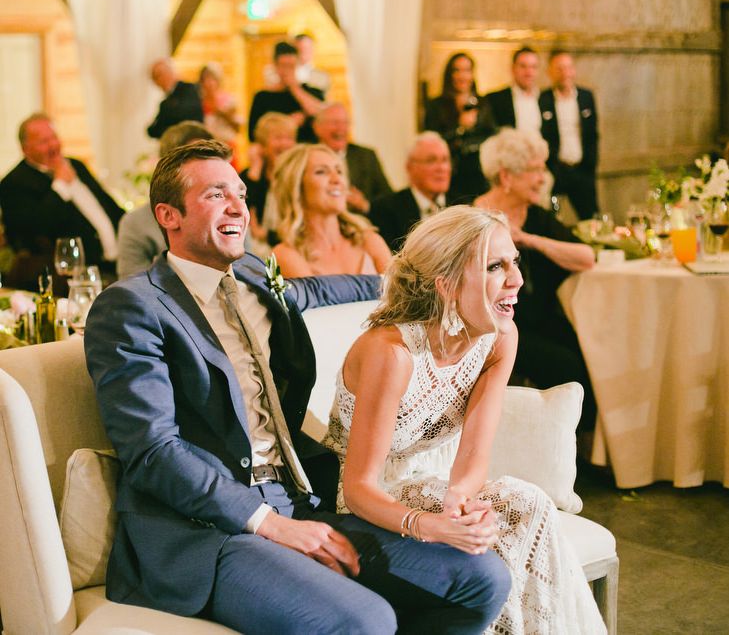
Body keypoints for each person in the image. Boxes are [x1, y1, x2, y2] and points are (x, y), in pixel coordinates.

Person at [84, 139, 511, 634]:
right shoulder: (132, 307)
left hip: (299, 500)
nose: (237, 206)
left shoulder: (251, 274)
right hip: (206, 533)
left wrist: (417, 281)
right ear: (169, 215)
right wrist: (270, 524)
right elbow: (154, 452)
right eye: (215, 194)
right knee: (367, 621)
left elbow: (318, 289)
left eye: (241, 194)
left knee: (481, 578)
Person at [322, 206, 606, 634]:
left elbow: (474, 455)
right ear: (448, 285)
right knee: (510, 522)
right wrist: (431, 524)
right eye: (496, 266)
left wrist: (462, 503)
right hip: (364, 501)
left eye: (515, 262)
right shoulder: (393, 353)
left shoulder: (500, 338)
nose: (517, 280)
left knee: (526, 506)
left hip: (431, 485)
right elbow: (357, 487)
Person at [474, 128, 597, 430]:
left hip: (538, 320)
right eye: (535, 170)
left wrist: (529, 240)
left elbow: (586, 256)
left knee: (591, 350)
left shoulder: (536, 217)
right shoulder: (474, 218)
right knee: (566, 365)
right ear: (506, 177)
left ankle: (575, 442)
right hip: (493, 325)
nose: (543, 178)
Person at [0, 112, 123, 289]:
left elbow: (110, 207)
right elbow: (35, 230)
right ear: (25, 148)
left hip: (116, 265)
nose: (53, 146)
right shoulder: (13, 184)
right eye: (44, 142)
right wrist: (60, 187)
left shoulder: (76, 165)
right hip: (72, 280)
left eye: (54, 137)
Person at [271, 144, 391, 277]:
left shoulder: (370, 241)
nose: (337, 179)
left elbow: (399, 295)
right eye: (321, 172)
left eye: (339, 171)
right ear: (295, 186)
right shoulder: (285, 255)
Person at [117, 120, 215, 279]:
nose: (209, 172)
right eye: (196, 162)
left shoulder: (229, 213)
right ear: (168, 169)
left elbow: (243, 271)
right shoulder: (136, 224)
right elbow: (133, 289)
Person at [424, 52, 495, 203]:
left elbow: (491, 135)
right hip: (449, 176)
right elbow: (431, 143)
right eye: (457, 70)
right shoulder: (436, 106)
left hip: (478, 175)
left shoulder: (483, 103)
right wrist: (460, 128)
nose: (462, 76)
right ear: (449, 74)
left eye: (467, 70)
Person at [539, 50, 599, 219]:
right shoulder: (543, 99)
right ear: (550, 72)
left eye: (568, 67)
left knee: (591, 218)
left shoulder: (586, 97)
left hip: (582, 169)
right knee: (551, 218)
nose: (565, 73)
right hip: (556, 170)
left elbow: (592, 134)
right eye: (559, 68)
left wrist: (591, 163)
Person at [369, 132, 452, 252]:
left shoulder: (463, 206)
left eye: (445, 160)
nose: (441, 168)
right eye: (431, 160)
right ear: (410, 167)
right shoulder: (384, 210)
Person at [313, 102, 393, 214]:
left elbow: (389, 200)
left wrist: (365, 205)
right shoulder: (307, 157)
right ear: (317, 127)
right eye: (334, 122)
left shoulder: (366, 156)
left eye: (345, 123)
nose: (340, 128)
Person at [239, 112, 297, 252]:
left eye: (289, 138)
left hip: (292, 245)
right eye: (278, 138)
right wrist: (255, 171)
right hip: (256, 248)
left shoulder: (299, 175)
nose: (284, 144)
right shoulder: (250, 175)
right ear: (262, 145)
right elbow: (241, 211)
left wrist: (267, 235)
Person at [249, 41, 324, 144]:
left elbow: (321, 114)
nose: (287, 71)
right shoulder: (262, 97)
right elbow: (253, 135)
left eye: (291, 66)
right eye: (283, 66)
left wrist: (294, 88)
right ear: (275, 66)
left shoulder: (311, 92)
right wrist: (288, 123)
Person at [486, 47, 542, 133]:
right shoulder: (495, 99)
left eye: (533, 67)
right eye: (523, 66)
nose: (529, 72)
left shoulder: (545, 98)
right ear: (513, 69)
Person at [199, 62, 242, 169]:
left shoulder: (228, 100)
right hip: (207, 149)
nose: (209, 83)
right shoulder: (198, 103)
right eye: (206, 79)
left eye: (212, 78)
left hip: (227, 146)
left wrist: (220, 112)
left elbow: (237, 127)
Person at [146, 58, 204, 139]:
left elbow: (186, 118)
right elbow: (152, 130)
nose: (157, 81)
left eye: (159, 75)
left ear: (170, 72)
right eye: (154, 78)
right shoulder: (165, 103)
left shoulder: (189, 89)